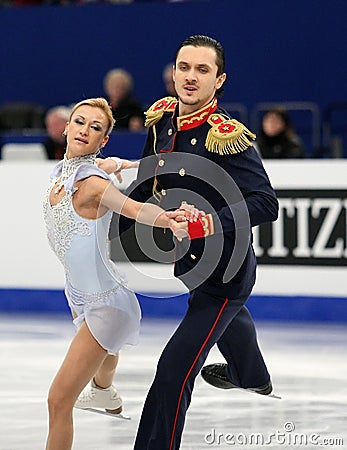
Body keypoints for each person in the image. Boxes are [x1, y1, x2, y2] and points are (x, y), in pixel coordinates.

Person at [99, 35, 279, 449]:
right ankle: (251, 375)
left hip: (225, 275)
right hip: (189, 264)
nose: (190, 77)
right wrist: (114, 180)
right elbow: (155, 178)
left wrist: (210, 224)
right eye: (184, 67)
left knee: (173, 372)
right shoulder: (162, 119)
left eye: (202, 70)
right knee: (233, 322)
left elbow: (266, 203)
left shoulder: (228, 136)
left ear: (220, 80)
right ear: (174, 72)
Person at [42, 97, 202, 450]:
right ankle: (105, 393)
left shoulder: (95, 184)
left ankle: (102, 390)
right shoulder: (63, 171)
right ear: (66, 127)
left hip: (107, 304)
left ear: (103, 139)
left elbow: (132, 208)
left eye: (95, 128)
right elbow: (96, 163)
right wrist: (116, 162)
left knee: (58, 401)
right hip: (78, 294)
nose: (85, 130)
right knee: (103, 361)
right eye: (79, 122)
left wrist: (166, 218)